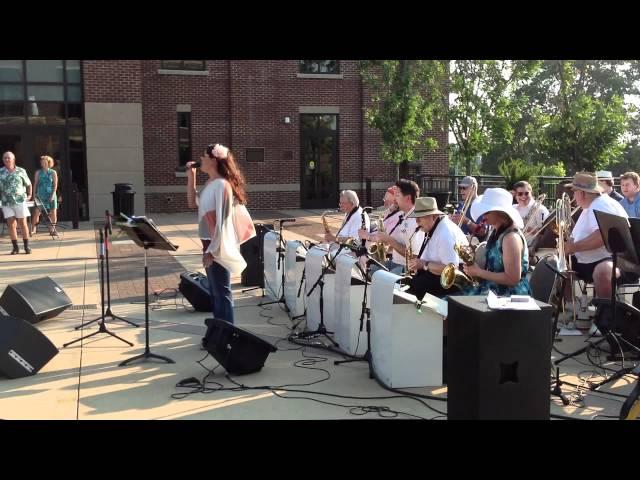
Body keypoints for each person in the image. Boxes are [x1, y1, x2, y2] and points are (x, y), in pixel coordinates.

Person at [185, 143, 256, 347]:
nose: (201, 159)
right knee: (216, 292)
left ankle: (226, 337)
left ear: (214, 159)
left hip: (218, 244)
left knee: (222, 292)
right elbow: (192, 203)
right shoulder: (211, 184)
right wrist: (191, 178)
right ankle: (218, 334)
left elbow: (223, 223)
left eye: (204, 156)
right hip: (210, 243)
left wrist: (212, 250)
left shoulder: (222, 185)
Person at [564, 172, 630, 303]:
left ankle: (605, 316)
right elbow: (575, 236)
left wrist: (574, 247)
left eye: (574, 192)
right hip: (591, 260)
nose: (573, 196)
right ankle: (571, 308)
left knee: (602, 271)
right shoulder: (591, 206)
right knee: (555, 264)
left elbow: (601, 237)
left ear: (582, 193)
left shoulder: (601, 205)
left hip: (615, 261)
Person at [460, 188, 531, 296]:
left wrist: (478, 272)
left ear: (500, 213)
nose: (483, 215)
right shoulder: (497, 231)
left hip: (509, 298)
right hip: (493, 292)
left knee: (452, 306)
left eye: (487, 211)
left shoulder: (511, 238)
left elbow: (512, 279)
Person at [406, 197, 469, 299]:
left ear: (433, 217)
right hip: (436, 277)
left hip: (451, 284)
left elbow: (451, 270)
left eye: (420, 217)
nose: (417, 221)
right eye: (416, 217)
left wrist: (424, 264)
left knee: (411, 291)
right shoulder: (431, 227)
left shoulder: (445, 234)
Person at [363, 179, 424, 274]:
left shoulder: (415, 221)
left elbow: (414, 257)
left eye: (397, 196)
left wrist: (389, 241)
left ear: (408, 198)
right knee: (370, 271)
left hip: (406, 267)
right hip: (395, 261)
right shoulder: (405, 215)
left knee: (378, 276)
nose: (395, 200)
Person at [0, 151, 32, 254]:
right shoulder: (0, 172)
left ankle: (26, 247)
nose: (7, 160)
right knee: (11, 224)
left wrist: (30, 195)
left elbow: (28, 184)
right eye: (5, 158)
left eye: (9, 158)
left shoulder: (21, 171)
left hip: (20, 201)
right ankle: (15, 248)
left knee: (23, 223)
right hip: (6, 202)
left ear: (13, 159)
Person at [451, 176, 487, 241]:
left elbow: (483, 232)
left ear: (474, 188)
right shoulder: (461, 205)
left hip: (474, 247)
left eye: (464, 188)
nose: (461, 190)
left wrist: (467, 221)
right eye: (460, 188)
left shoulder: (481, 206)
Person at [31, 155, 59, 235]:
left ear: (49, 162)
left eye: (44, 161)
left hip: (51, 194)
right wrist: (34, 196)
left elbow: (55, 185)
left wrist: (52, 195)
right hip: (40, 195)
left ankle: (52, 229)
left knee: (53, 212)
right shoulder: (38, 172)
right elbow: (35, 184)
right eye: (41, 161)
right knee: (37, 212)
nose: (42, 163)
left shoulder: (53, 172)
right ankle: (34, 229)